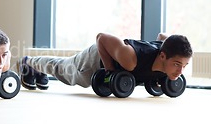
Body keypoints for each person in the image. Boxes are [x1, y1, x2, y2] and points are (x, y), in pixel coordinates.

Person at [18, 32, 193, 89]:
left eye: (184, 66)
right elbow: (101, 37)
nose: (180, 72)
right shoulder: (130, 59)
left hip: (114, 57)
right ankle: (28, 63)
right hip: (94, 61)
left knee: (61, 67)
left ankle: (35, 68)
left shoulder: (165, 51)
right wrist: (110, 70)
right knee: (62, 68)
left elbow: (163, 36)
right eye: (177, 65)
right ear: (163, 56)